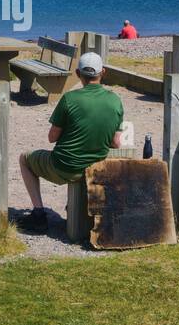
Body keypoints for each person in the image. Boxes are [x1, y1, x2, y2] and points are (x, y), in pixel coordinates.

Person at [17, 52, 124, 233]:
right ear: (103, 72)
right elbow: (116, 143)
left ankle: (38, 213)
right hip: (93, 167)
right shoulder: (115, 101)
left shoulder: (69, 99)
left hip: (64, 166)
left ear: (77, 73)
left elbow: (52, 137)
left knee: (24, 159)